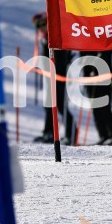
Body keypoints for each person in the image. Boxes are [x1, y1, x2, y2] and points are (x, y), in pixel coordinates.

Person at [31, 12, 76, 144]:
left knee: (60, 105)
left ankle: (71, 133)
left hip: (59, 75)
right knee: (49, 104)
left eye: (44, 24)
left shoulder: (56, 36)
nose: (42, 28)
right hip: (50, 75)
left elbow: (64, 57)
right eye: (39, 26)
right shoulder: (45, 38)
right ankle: (48, 132)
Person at [79, 48, 112, 145]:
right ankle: (103, 135)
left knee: (105, 106)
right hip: (89, 77)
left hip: (104, 76)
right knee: (95, 107)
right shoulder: (86, 37)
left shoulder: (103, 35)